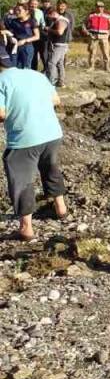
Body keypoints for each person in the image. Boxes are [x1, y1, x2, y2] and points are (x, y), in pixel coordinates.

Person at [0, 48, 68, 241]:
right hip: (52, 133)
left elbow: (1, 113)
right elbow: (56, 100)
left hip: (24, 139)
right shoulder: (35, 74)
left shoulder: (1, 82)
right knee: (51, 168)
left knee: (21, 180)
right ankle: (61, 209)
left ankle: (26, 228)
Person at [43, 2, 71, 87]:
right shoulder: (60, 20)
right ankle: (61, 81)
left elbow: (60, 32)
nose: (48, 17)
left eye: (49, 15)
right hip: (61, 45)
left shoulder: (61, 21)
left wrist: (49, 29)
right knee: (60, 63)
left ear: (54, 13)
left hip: (59, 45)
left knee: (51, 63)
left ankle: (51, 82)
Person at [7, 3, 41, 70]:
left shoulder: (32, 21)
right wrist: (10, 38)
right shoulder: (13, 21)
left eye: (19, 10)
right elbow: (10, 33)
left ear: (26, 11)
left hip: (27, 47)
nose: (17, 12)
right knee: (14, 68)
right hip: (15, 47)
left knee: (26, 68)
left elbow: (37, 36)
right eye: (16, 10)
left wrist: (25, 40)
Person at [86, 1, 110, 71]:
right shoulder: (91, 16)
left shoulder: (107, 16)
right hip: (93, 36)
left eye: (101, 7)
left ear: (103, 8)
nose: (100, 8)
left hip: (104, 36)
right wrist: (87, 32)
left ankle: (107, 67)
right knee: (92, 52)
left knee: (106, 52)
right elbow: (84, 24)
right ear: (95, 7)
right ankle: (91, 67)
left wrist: (109, 32)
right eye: (98, 6)